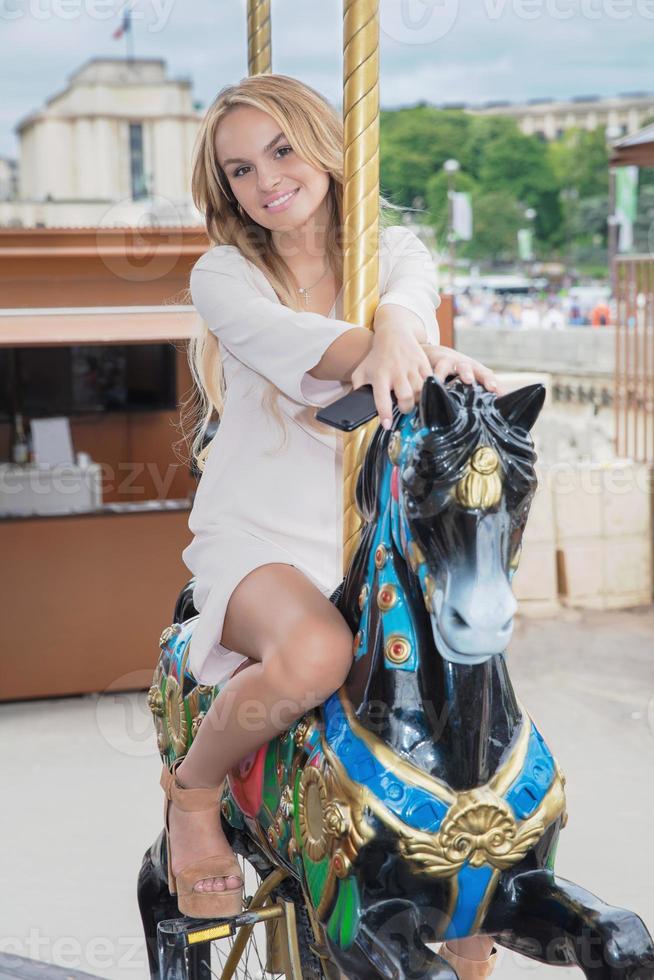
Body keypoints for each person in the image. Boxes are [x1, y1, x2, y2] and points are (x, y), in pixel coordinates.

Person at [161, 73, 500, 976]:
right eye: (239, 169)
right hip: (258, 540)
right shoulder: (226, 274)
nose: (266, 179)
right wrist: (401, 344)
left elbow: (404, 296)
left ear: (323, 144)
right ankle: (192, 794)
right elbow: (314, 350)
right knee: (313, 656)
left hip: (364, 536)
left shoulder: (392, 248)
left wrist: (404, 329)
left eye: (281, 149)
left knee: (470, 686)